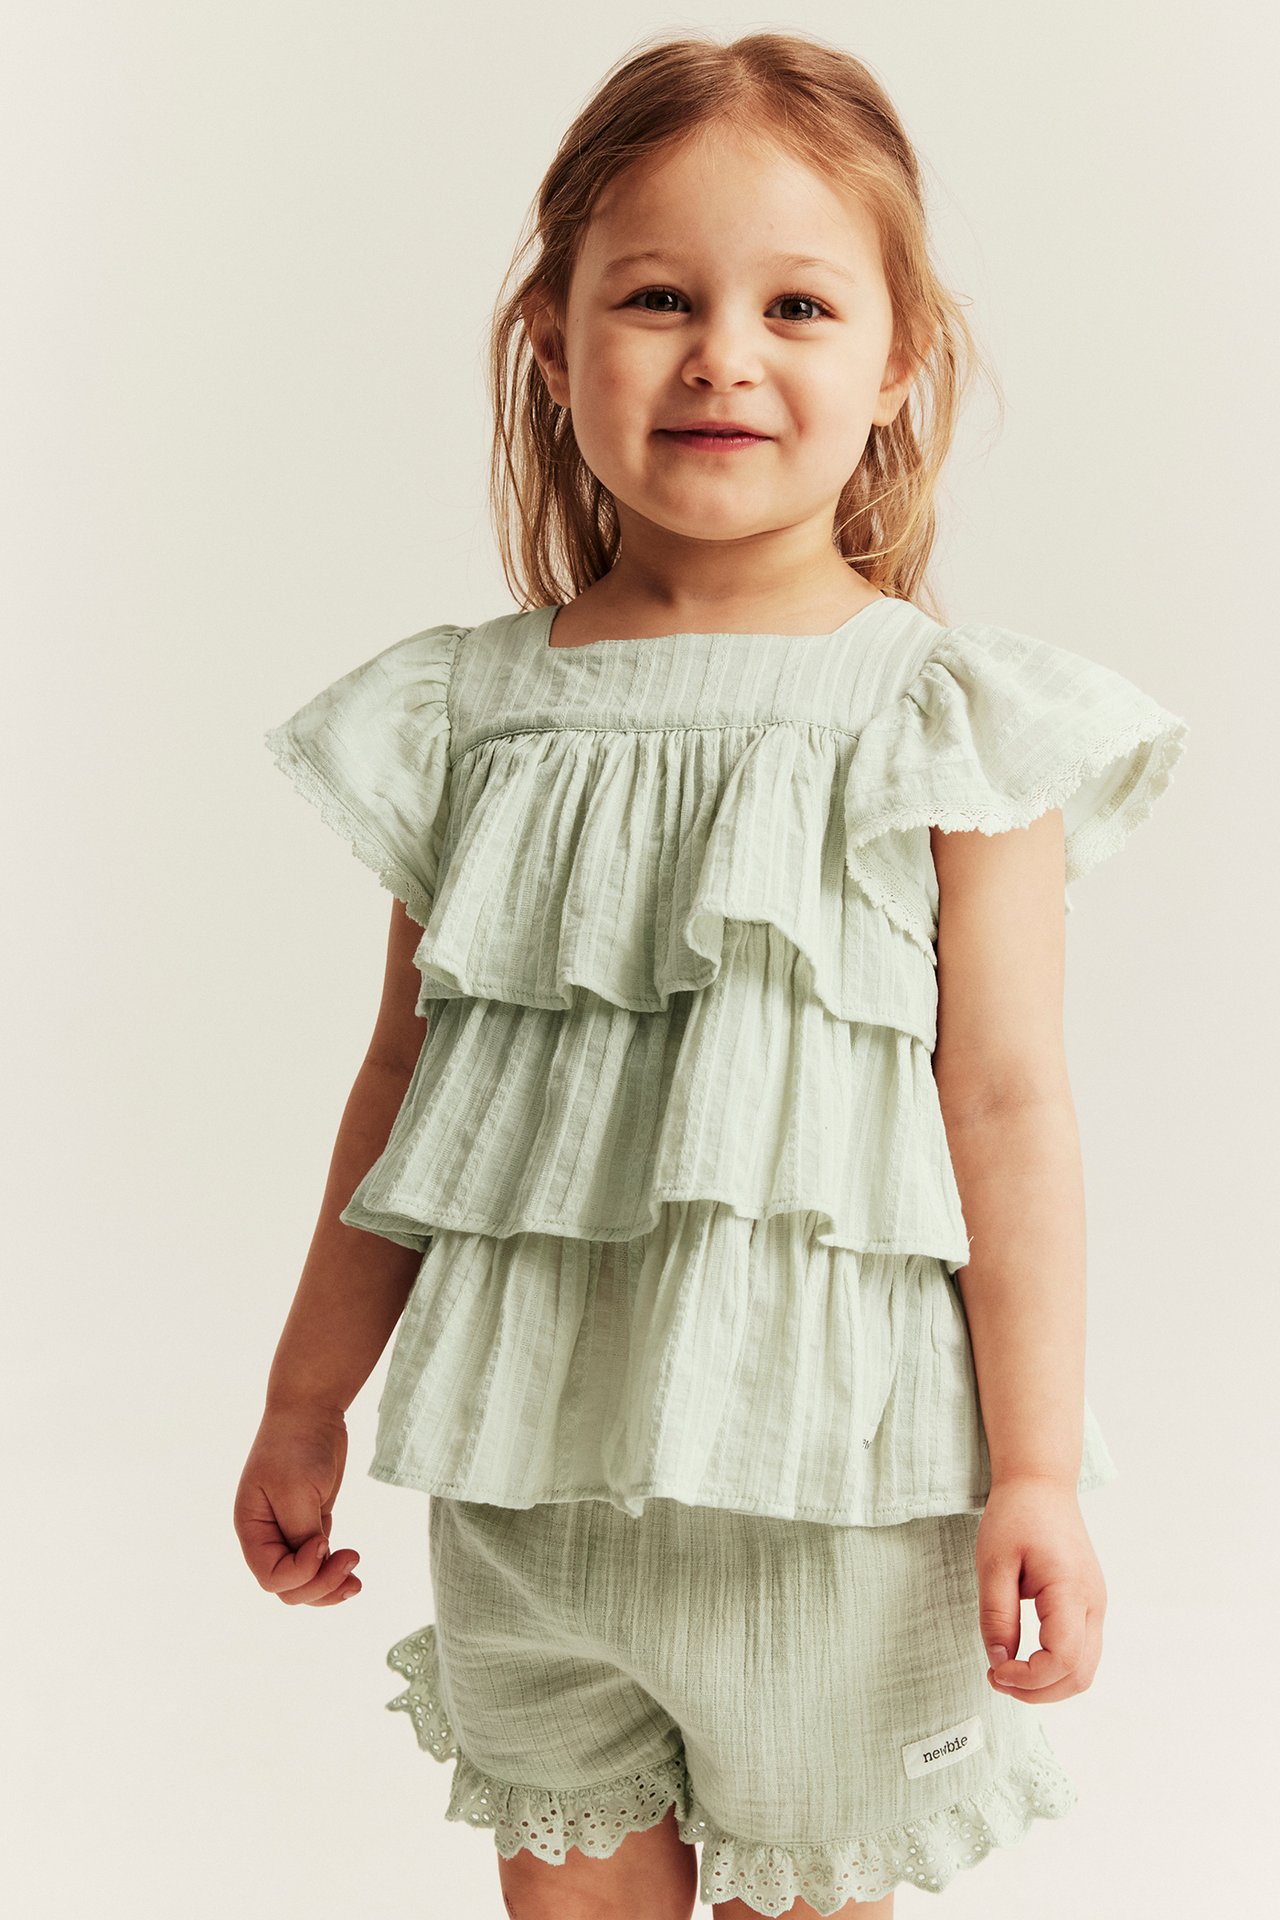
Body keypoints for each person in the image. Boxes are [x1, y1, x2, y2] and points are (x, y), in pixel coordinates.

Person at [234, 29, 1190, 1920]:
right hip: (532, 1489)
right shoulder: (471, 717)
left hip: (840, 1498)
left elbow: (1007, 1108)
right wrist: (304, 1397)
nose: (723, 356)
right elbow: (402, 1088)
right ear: (551, 338)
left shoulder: (945, 720)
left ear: (899, 362)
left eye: (798, 305)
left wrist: (1037, 1474)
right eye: (658, 297)